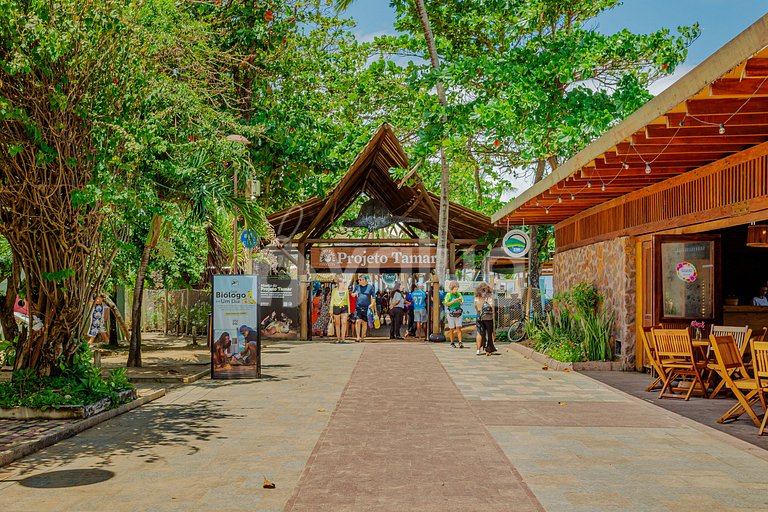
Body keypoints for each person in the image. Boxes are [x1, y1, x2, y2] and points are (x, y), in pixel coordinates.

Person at [474, 282, 497, 356]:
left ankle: (478, 350)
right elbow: (492, 306)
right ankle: (489, 349)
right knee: (489, 333)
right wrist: (492, 314)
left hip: (479, 315)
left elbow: (476, 306)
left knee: (479, 333)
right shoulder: (489, 296)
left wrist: (479, 312)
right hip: (488, 316)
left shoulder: (477, 296)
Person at [352, 274, 376, 342]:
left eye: (360, 280)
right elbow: (353, 293)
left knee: (365, 323)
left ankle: (362, 337)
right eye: (358, 280)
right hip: (358, 307)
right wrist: (353, 294)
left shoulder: (370, 287)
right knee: (357, 321)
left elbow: (374, 297)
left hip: (367, 308)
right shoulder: (357, 287)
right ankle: (358, 337)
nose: (359, 281)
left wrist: (372, 304)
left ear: (365, 280)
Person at [443, 281, 464, 348]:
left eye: (457, 289)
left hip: (458, 312)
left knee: (458, 327)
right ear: (451, 289)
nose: (456, 290)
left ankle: (460, 342)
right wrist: (453, 301)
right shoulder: (448, 295)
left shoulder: (459, 294)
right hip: (451, 313)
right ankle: (452, 342)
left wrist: (460, 301)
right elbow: (446, 304)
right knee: (451, 328)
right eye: (455, 289)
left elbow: (461, 303)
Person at [330, 276, 350, 343]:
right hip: (336, 307)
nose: (344, 283)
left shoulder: (346, 290)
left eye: (344, 282)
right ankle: (338, 338)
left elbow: (348, 300)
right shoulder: (334, 290)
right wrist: (331, 310)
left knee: (344, 323)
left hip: (344, 307)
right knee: (337, 324)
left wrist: (349, 310)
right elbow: (332, 300)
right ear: (339, 283)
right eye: (343, 282)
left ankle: (343, 338)